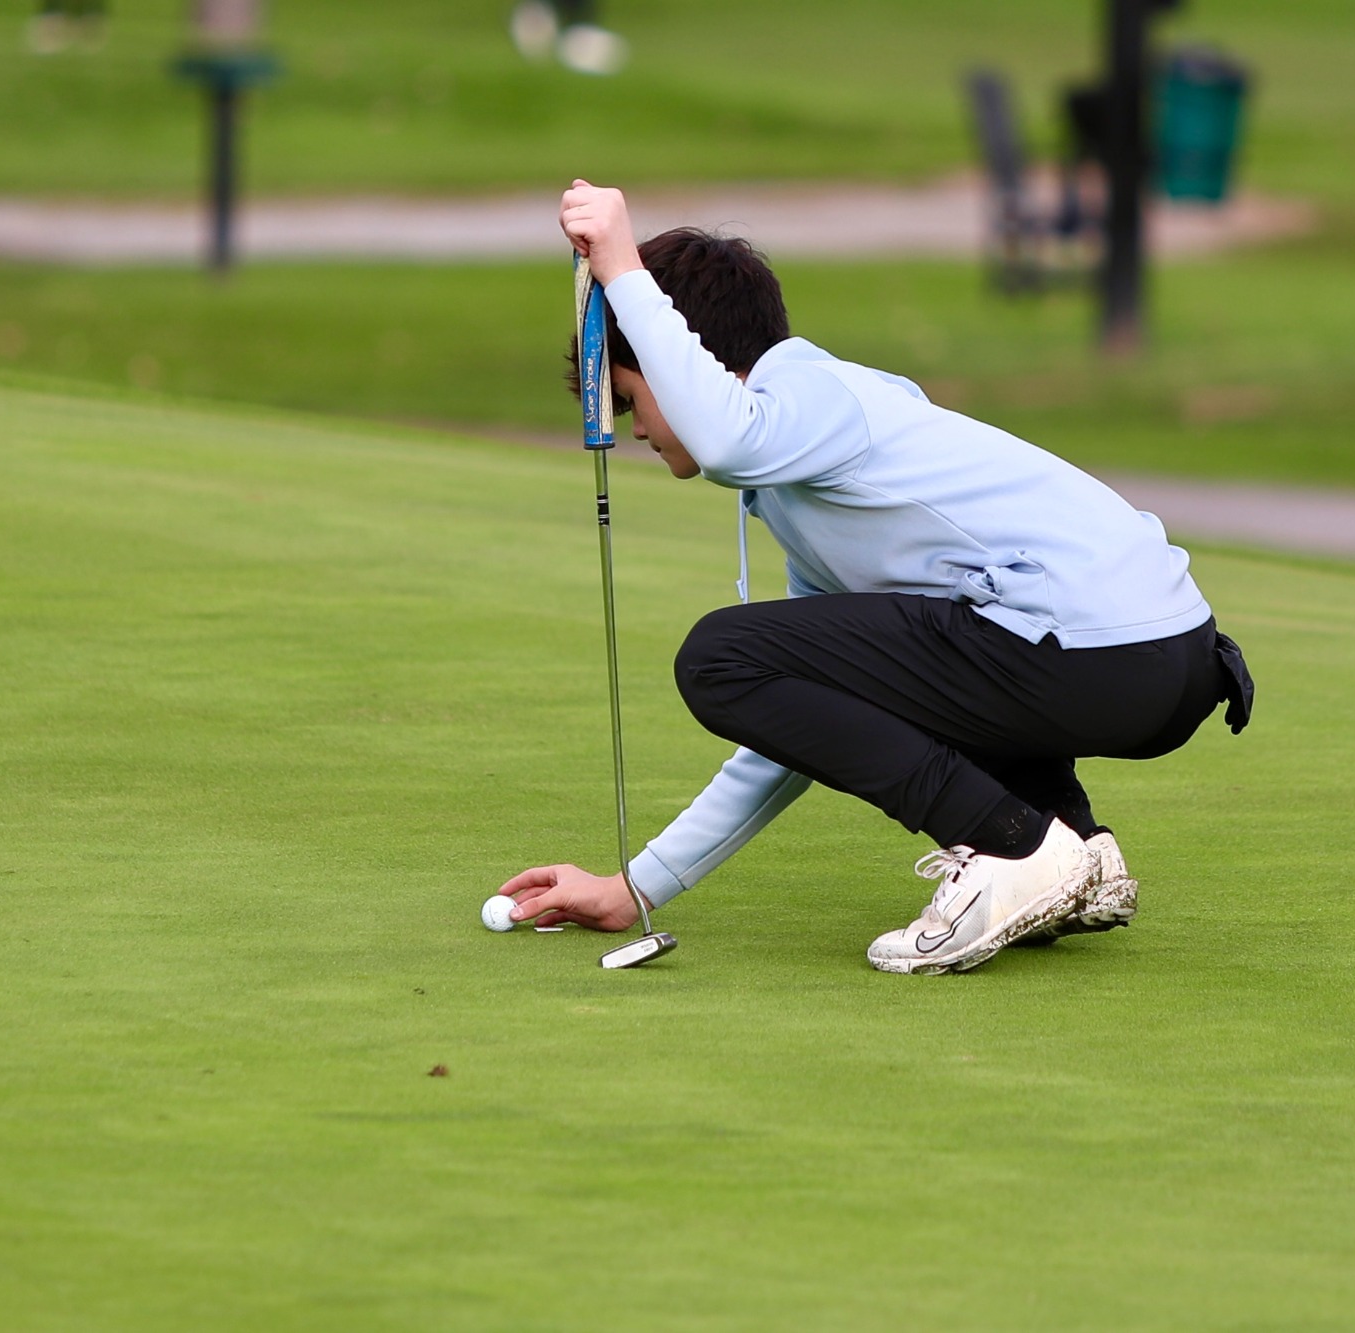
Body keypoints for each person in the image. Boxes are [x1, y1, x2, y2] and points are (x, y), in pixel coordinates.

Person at [499, 181, 1254, 976]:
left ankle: (1016, 847)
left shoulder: (813, 395)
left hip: (1102, 656)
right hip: (1147, 659)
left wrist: (622, 267)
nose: (639, 429)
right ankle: (1072, 846)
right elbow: (793, 728)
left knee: (715, 655)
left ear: (681, 358)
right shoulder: (804, 471)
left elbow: (721, 436)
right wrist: (637, 887)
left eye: (632, 397)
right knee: (784, 661)